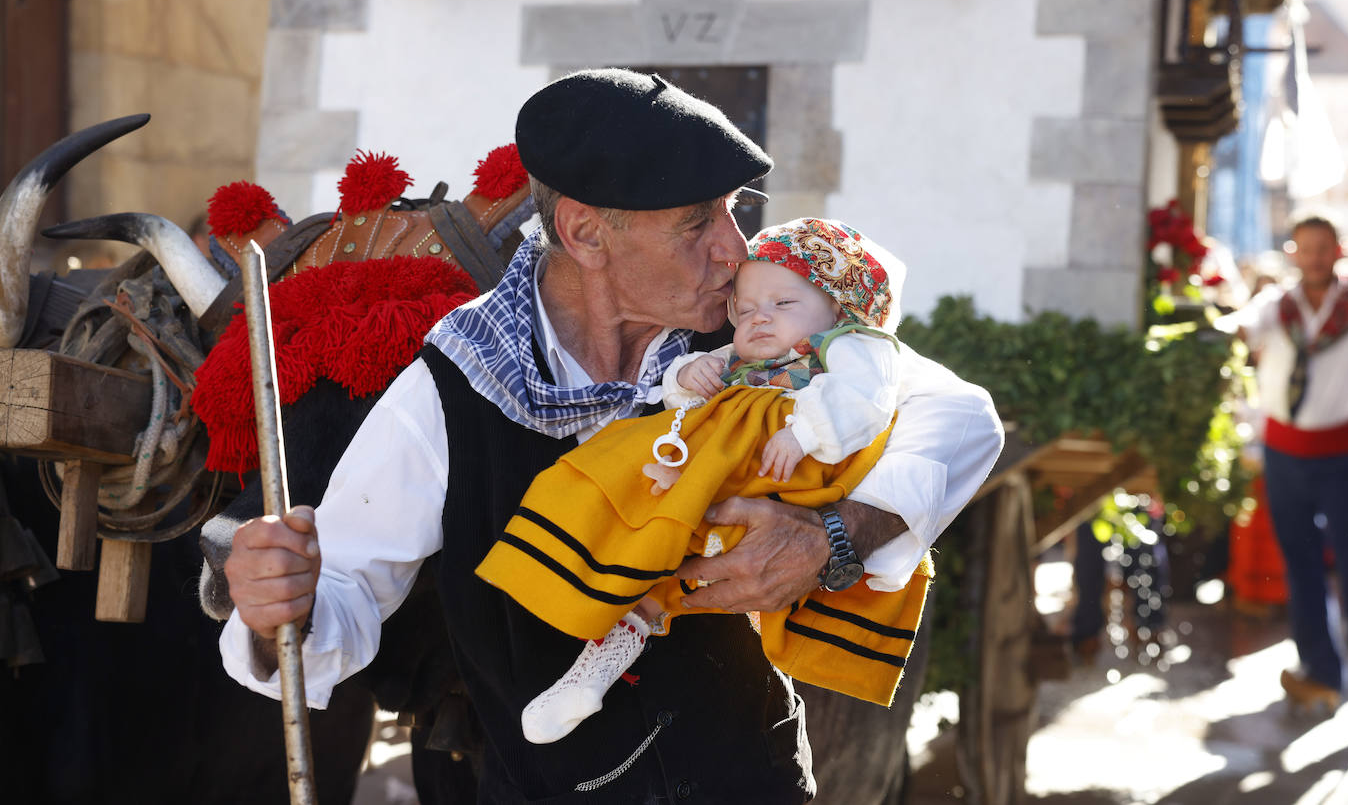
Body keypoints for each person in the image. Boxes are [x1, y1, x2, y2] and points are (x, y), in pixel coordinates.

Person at [219, 69, 1004, 802]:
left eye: (735, 210)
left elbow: (961, 416)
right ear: (586, 233)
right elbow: (344, 594)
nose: (736, 250)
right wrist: (272, 607)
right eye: (699, 222)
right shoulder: (456, 386)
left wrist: (837, 534)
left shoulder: (751, 337)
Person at [497, 218, 936, 744]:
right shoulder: (746, 356)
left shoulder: (848, 344)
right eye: (746, 309)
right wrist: (689, 376)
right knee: (627, 485)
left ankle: (620, 628)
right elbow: (690, 391)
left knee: (688, 547)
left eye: (782, 304)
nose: (760, 318)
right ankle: (602, 653)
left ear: (837, 306)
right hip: (727, 467)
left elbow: (868, 398)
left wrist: (803, 433)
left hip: (794, 471)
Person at [1220, 216, 1348, 712]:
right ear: (1293, 252)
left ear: (1337, 250)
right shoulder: (1276, 305)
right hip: (1284, 455)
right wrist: (1212, 320)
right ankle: (1321, 669)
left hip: (1341, 456)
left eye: (1322, 248)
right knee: (1301, 563)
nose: (1314, 257)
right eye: (1305, 249)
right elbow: (1237, 326)